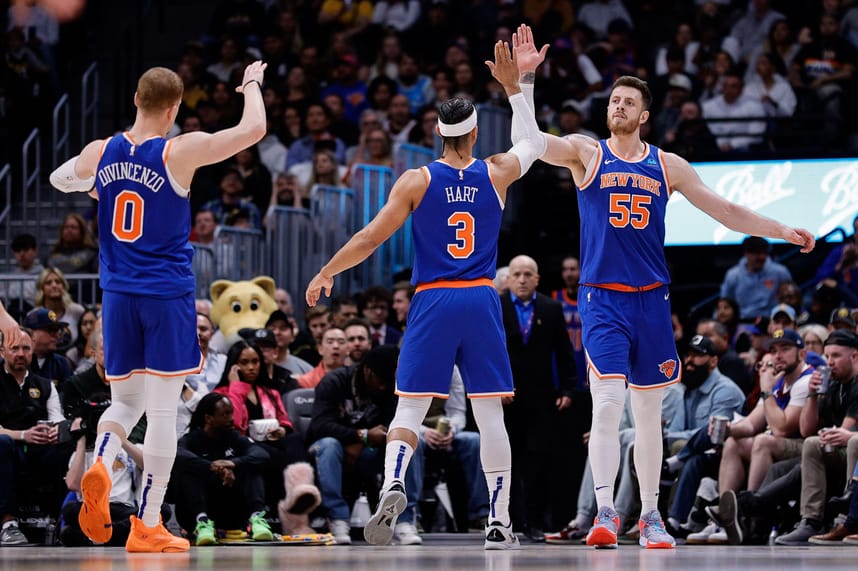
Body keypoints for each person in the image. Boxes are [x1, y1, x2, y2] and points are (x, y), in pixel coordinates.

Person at [511, 24, 814, 550]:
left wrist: (781, 228)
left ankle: (650, 515)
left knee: (648, 412)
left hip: (652, 299)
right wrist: (527, 82)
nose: (618, 106)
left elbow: (725, 210)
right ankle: (605, 512)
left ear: (645, 115)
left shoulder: (666, 164)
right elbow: (533, 144)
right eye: (614, 100)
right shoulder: (587, 152)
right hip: (603, 297)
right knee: (607, 404)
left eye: (628, 102)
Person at [306, 38, 546, 550]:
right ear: (476, 133)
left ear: (437, 133)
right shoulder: (497, 171)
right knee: (488, 414)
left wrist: (327, 271)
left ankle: (394, 481)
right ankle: (498, 521)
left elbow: (370, 237)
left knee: (409, 410)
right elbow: (534, 143)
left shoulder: (416, 179)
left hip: (433, 298)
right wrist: (518, 88)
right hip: (482, 297)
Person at [48, 60, 268, 552]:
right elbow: (253, 128)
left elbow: (59, 178)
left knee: (125, 404)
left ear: (135, 101)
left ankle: (102, 462)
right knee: (165, 415)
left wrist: (91, 184)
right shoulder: (179, 150)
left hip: (118, 296)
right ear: (174, 109)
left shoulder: (100, 151)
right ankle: (147, 524)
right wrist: (251, 84)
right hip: (166, 297)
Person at [500, 254, 575, 540]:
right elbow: (486, 351)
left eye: (527, 274)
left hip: (541, 400)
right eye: (516, 274)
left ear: (537, 279)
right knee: (506, 461)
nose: (521, 280)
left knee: (537, 463)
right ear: (508, 279)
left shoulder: (551, 307)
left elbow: (565, 353)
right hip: (505, 398)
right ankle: (506, 520)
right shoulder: (497, 305)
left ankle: (533, 522)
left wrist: (567, 389)